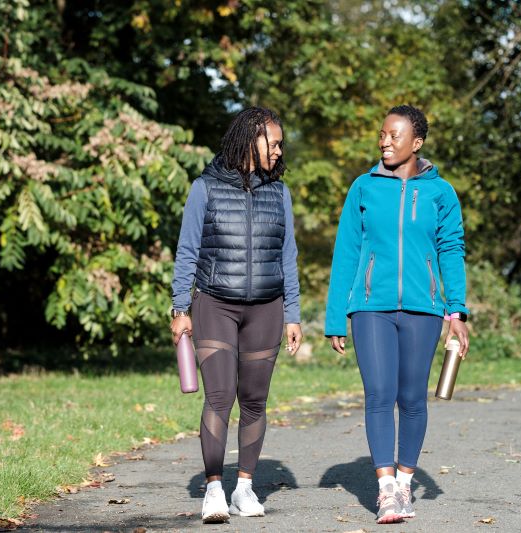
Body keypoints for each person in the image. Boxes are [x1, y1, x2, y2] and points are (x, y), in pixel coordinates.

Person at [324, 105, 470, 524]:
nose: (384, 141)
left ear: (417, 143)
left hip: (424, 310)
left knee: (411, 398)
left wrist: (455, 310)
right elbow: (347, 253)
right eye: (382, 134)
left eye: (394, 135)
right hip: (371, 307)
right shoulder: (363, 188)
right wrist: (336, 317)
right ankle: (386, 489)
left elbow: (451, 249)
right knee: (379, 394)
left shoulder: (441, 193)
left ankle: (406, 480)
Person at [170, 106, 302, 524]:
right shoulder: (204, 188)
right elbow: (187, 250)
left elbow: (289, 256)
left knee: (255, 401)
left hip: (267, 306)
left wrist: (293, 313)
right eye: (274, 142)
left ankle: (244, 487)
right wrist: (180, 307)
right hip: (215, 304)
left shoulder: (279, 193)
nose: (280, 151)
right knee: (220, 396)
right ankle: (213, 490)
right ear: (251, 140)